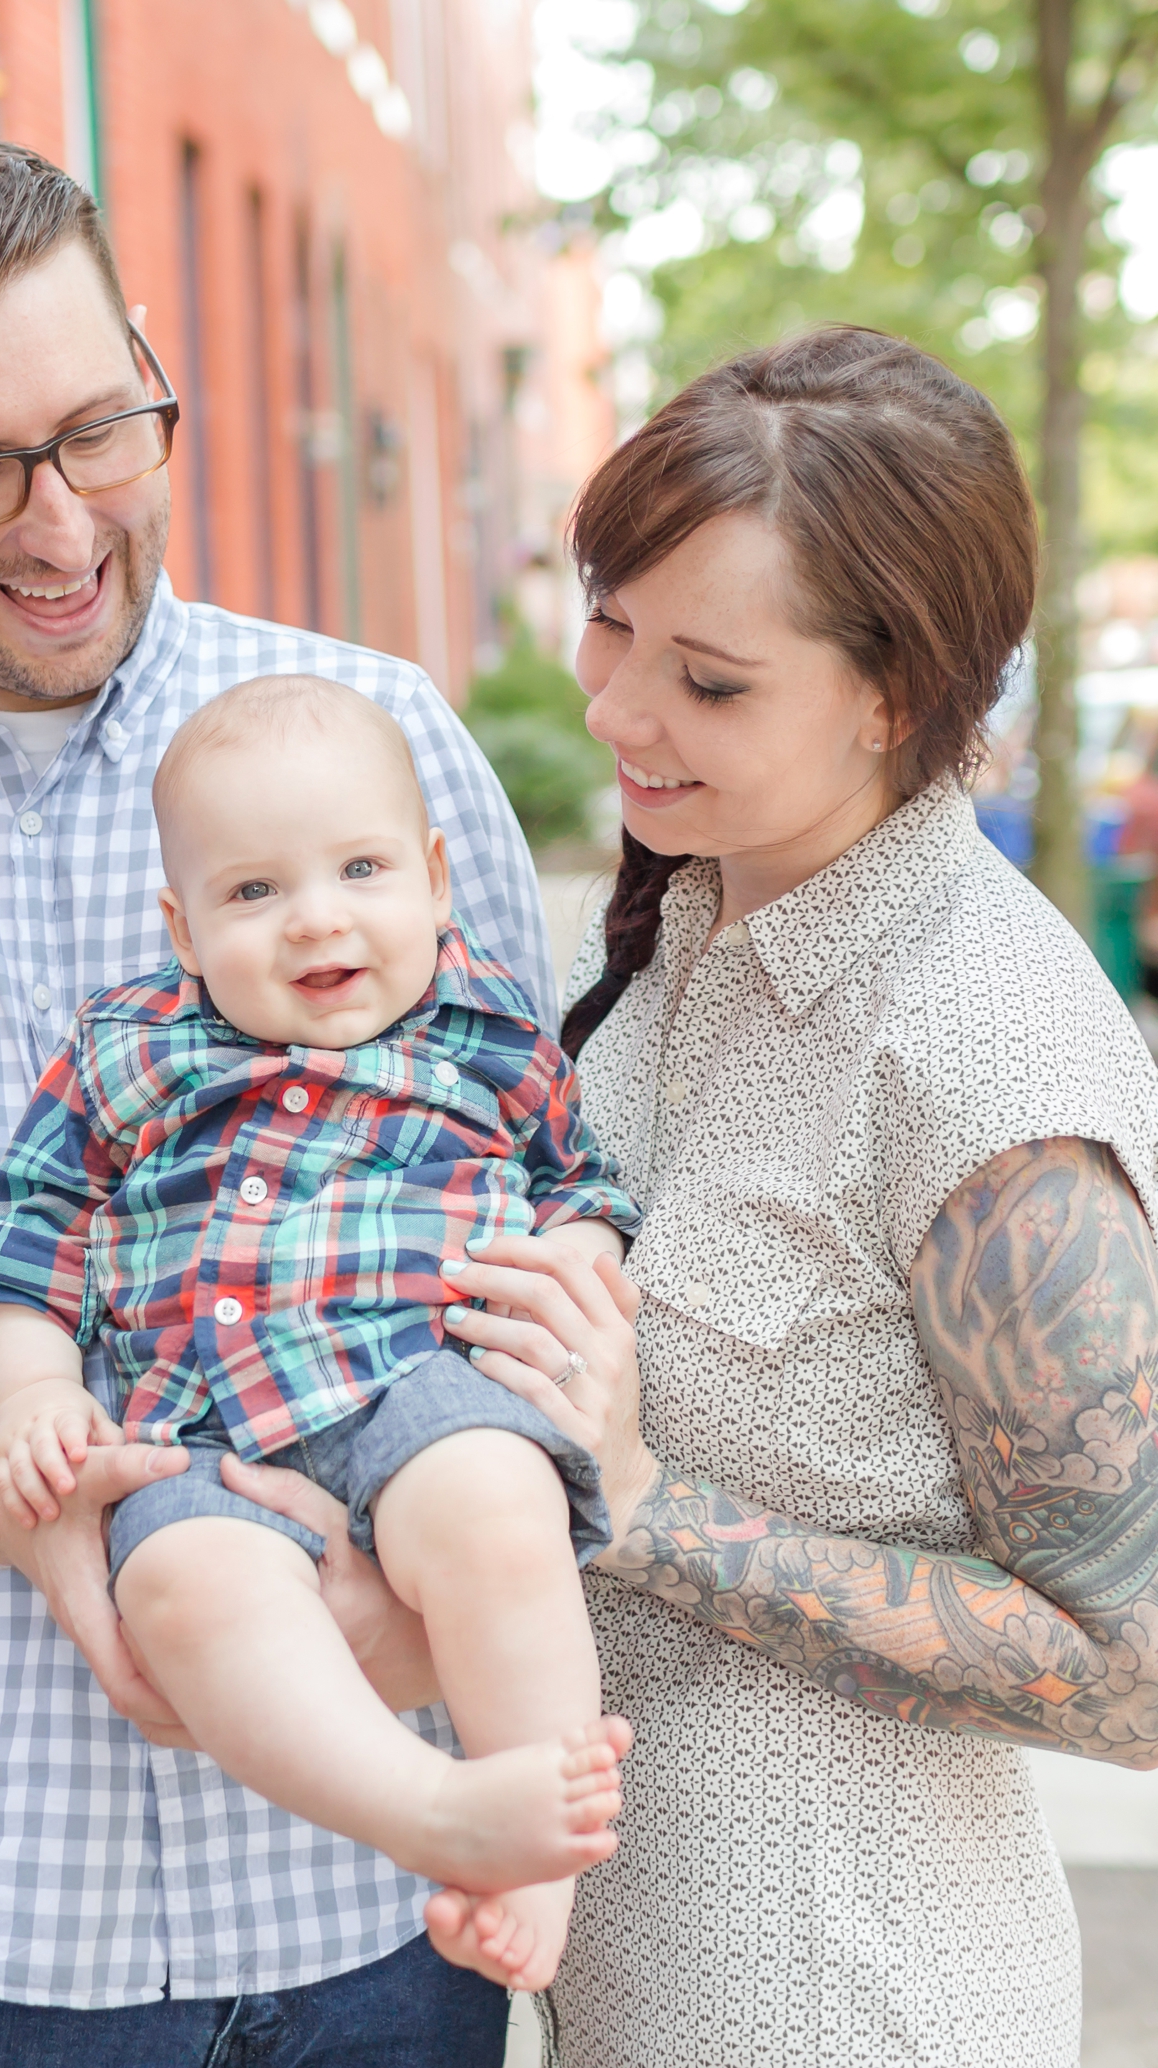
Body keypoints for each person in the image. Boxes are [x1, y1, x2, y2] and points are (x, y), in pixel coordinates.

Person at [0, 119, 554, 2066]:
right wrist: (4, 1501)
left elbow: (542, 1215)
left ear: (154, 363)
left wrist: (474, 1549)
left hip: (375, 1896)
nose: (63, 528)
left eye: (103, 431)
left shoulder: (385, 735)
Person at [423, 329, 1158, 2065]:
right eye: (610, 626)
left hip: (848, 2005)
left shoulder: (980, 1045)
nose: (616, 709)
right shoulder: (700, 913)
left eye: (710, 678)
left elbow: (1134, 1665)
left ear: (892, 694)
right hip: (622, 1994)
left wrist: (644, 1499)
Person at [0, 674, 640, 1990]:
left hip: (422, 1384)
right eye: (253, 891)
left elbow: (583, 1186)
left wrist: (577, 1262)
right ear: (183, 923)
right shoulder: (125, 1051)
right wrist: (34, 1391)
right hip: (195, 1438)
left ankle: (537, 1857)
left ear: (438, 879)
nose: (316, 916)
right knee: (176, 1591)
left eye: (362, 868)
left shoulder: (486, 1029)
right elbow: (30, 1231)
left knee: (503, 1506)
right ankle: (424, 1808)